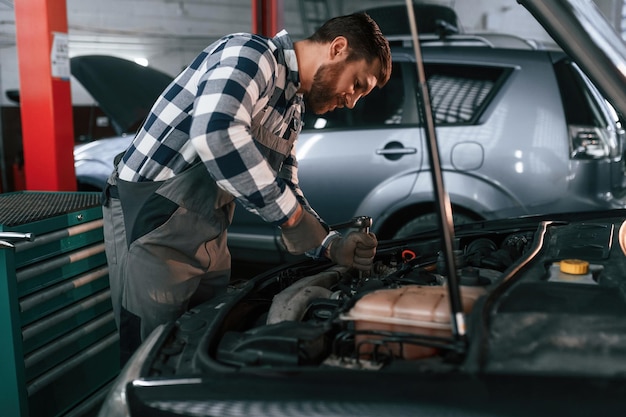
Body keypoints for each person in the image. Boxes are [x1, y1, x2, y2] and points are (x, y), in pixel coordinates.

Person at [102, 12, 392, 364]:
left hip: (208, 233)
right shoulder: (252, 54)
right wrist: (292, 218)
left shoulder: (292, 109)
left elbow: (285, 184)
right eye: (358, 84)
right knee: (150, 356)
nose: (351, 100)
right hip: (153, 224)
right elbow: (216, 132)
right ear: (338, 48)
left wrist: (331, 245)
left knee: (200, 345)